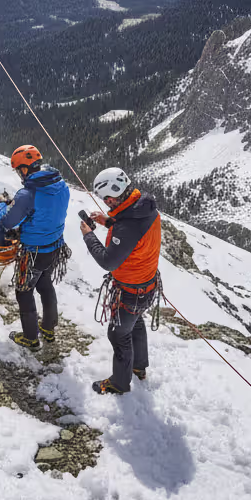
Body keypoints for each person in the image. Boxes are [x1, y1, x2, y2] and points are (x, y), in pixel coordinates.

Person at [80, 166, 161, 395]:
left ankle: (119, 383)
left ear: (114, 194)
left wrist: (88, 235)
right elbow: (133, 232)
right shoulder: (144, 208)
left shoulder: (127, 224)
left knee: (118, 334)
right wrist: (108, 222)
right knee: (136, 323)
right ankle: (139, 367)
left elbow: (108, 261)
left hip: (130, 290)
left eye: (107, 199)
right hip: (147, 285)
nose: (106, 203)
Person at [0, 145, 70, 350]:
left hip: (34, 252)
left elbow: (7, 221)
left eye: (19, 170)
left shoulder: (28, 194)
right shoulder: (61, 184)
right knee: (45, 285)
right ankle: (48, 328)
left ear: (25, 169)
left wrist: (1, 204)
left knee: (24, 292)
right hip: (54, 247)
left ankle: (30, 338)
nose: (20, 174)